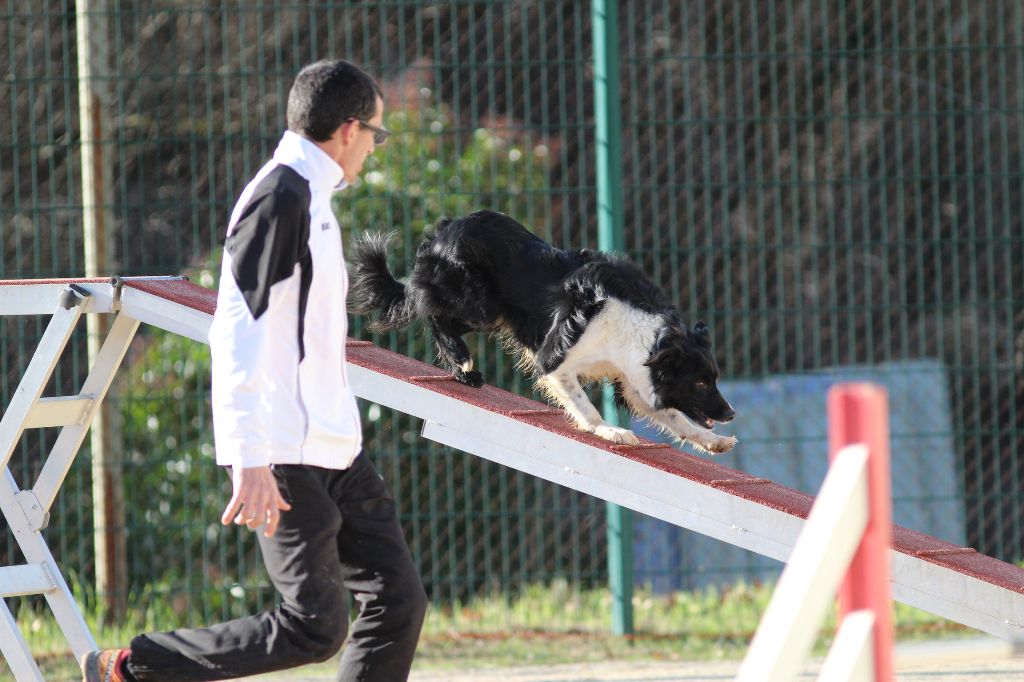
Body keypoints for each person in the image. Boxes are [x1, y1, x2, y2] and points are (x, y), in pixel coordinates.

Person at [82, 59, 428, 682]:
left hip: (336, 449)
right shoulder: (281, 196)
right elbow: (237, 330)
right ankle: (135, 668)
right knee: (313, 626)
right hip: (287, 450)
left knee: (398, 601)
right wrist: (250, 457)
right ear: (349, 129)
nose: (376, 148)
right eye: (377, 134)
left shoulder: (313, 195)